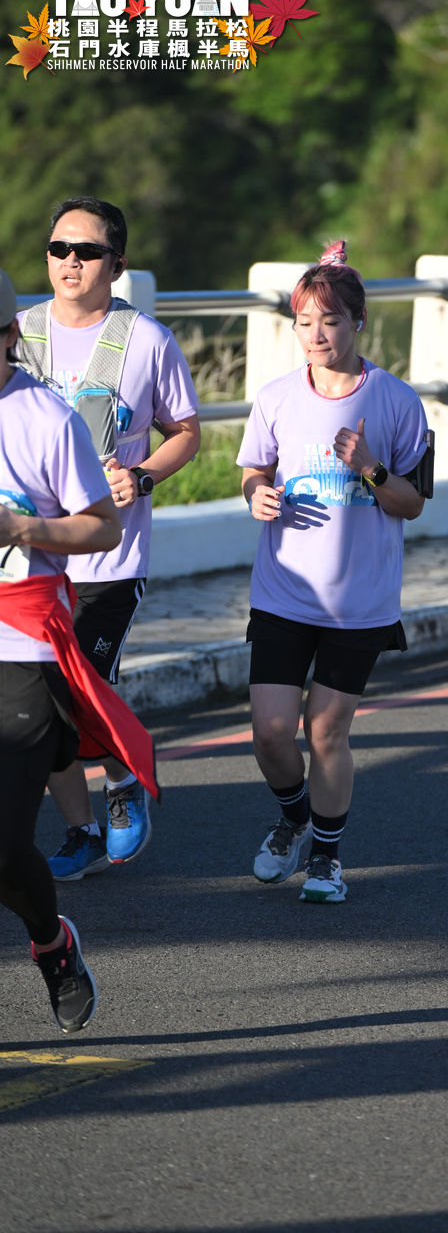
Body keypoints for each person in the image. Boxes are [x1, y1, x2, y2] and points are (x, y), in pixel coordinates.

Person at [237, 240, 430, 903]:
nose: (316, 334)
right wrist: (255, 494)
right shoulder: (276, 397)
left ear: (358, 322)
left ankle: (326, 858)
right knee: (270, 733)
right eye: (303, 322)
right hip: (283, 591)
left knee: (325, 730)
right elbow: (253, 469)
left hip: (359, 600)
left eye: (330, 321)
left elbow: (411, 502)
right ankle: (294, 817)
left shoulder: (398, 402)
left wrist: (370, 467)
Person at [15, 196, 200, 880]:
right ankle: (81, 830)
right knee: (37, 701)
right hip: (29, 559)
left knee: (76, 691)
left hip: (109, 558)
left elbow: (186, 432)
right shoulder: (18, 334)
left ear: (116, 265)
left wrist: (142, 477)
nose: (70, 262)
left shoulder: (147, 341)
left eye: (87, 251)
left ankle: (122, 780)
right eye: (59, 248)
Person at [0, 267, 157, 1032]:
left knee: (4, 847)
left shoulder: (44, 418)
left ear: (7, 336)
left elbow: (101, 526)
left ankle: (52, 945)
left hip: (21, 644)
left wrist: (23, 528)